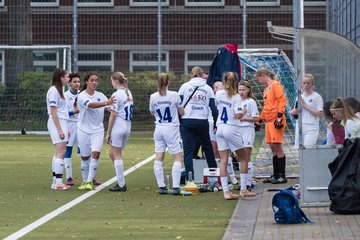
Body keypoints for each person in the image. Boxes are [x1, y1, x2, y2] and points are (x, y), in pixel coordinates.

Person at [215, 72, 254, 199]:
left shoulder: (218, 93)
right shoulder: (236, 97)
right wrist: (244, 111)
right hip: (231, 128)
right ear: (236, 82)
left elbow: (218, 107)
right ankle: (243, 189)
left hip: (219, 128)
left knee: (223, 161)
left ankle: (226, 192)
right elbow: (237, 116)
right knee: (244, 159)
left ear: (224, 81)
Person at [77, 73, 115, 191]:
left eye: (96, 80)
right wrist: (106, 103)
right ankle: (84, 181)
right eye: (92, 80)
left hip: (97, 131)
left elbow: (111, 110)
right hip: (83, 130)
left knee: (96, 154)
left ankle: (89, 181)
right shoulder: (81, 96)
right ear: (86, 82)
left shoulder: (101, 95)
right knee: (84, 157)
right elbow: (91, 105)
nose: (94, 82)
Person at [178, 66, 218, 180]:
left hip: (187, 121)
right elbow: (214, 109)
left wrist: (179, 121)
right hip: (202, 121)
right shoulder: (208, 88)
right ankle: (214, 178)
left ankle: (190, 178)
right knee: (208, 148)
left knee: (188, 150)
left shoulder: (184, 87)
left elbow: (178, 105)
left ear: (192, 74)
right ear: (202, 75)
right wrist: (215, 123)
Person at [149, 73, 185, 195]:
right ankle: (175, 187)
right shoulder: (174, 95)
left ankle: (162, 186)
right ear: (168, 82)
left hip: (158, 128)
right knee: (178, 158)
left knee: (159, 157)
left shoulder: (153, 96)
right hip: (171, 128)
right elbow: (182, 111)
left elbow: (152, 112)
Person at [254, 68, 287, 184]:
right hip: (268, 121)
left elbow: (282, 100)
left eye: (258, 78)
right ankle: (276, 174)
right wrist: (259, 120)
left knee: (278, 146)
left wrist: (279, 116)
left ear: (263, 75)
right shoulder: (266, 89)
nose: (258, 81)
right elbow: (266, 106)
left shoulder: (275, 85)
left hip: (275, 120)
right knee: (273, 147)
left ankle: (282, 175)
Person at [106, 72, 133, 192]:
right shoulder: (128, 92)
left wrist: (108, 132)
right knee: (113, 154)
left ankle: (121, 184)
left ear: (116, 81)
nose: (111, 83)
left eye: (112, 80)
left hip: (118, 126)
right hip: (127, 126)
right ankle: (120, 177)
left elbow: (113, 114)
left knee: (116, 155)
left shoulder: (116, 94)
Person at [46, 67, 70, 190]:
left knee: (58, 152)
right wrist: (60, 129)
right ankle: (59, 183)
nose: (69, 79)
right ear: (61, 78)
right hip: (57, 123)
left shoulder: (60, 91)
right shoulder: (54, 91)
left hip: (62, 122)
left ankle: (56, 181)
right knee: (61, 152)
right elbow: (54, 111)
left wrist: (66, 128)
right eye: (67, 77)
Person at [237, 79, 260, 191]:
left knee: (246, 156)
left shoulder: (251, 102)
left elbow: (257, 118)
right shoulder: (235, 101)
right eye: (239, 90)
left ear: (248, 90)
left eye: (243, 90)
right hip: (236, 131)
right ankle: (243, 181)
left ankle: (248, 183)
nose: (241, 92)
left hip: (247, 130)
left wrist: (244, 118)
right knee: (239, 157)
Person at [290, 74, 324, 148]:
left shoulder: (317, 97)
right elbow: (295, 113)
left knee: (308, 149)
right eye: (304, 83)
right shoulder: (299, 97)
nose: (306, 85)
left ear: (312, 84)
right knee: (300, 151)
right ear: (301, 84)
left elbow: (320, 114)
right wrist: (292, 112)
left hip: (311, 127)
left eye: (308, 83)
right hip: (300, 126)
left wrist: (306, 106)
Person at [63, 73, 80, 186]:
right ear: (69, 83)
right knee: (67, 151)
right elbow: (63, 113)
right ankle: (69, 177)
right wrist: (74, 112)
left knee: (84, 151)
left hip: (81, 126)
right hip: (69, 125)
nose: (77, 84)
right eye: (74, 82)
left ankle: (89, 177)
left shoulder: (83, 95)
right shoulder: (65, 96)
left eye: (78, 82)